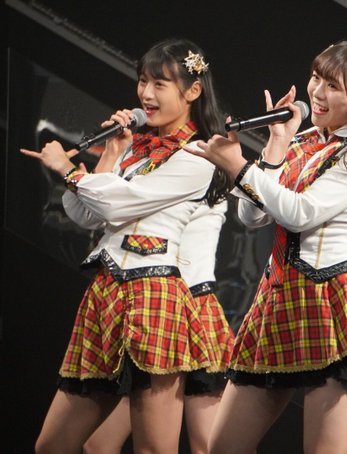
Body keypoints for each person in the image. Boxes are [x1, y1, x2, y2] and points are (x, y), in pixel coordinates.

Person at [187, 38, 347, 453]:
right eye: (316, 78)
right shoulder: (305, 141)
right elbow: (252, 217)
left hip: (336, 300)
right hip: (279, 298)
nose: (317, 92)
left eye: (333, 86)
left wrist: (239, 167)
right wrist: (276, 144)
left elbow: (300, 213)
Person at [21, 38, 228, 453]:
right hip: (106, 292)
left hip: (155, 295)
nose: (146, 94)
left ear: (192, 91)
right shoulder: (135, 148)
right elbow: (85, 215)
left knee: (153, 448)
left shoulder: (199, 157)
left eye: (159, 84)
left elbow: (119, 202)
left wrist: (68, 170)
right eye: (142, 81)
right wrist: (110, 154)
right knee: (52, 445)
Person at [83, 198, 234, 454]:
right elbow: (96, 211)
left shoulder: (201, 179)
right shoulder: (146, 179)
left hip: (190, 303)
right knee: (98, 445)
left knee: (208, 447)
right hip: (152, 310)